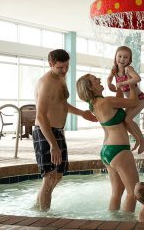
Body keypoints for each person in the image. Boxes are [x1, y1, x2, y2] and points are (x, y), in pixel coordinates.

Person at [33, 49, 97, 211]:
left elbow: (61, 103)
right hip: (45, 132)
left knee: (58, 175)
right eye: (60, 67)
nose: (64, 70)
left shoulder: (61, 77)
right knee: (50, 177)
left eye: (67, 66)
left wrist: (82, 113)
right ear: (51, 64)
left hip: (57, 131)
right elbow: (40, 116)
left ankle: (38, 206)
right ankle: (45, 218)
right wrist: (53, 144)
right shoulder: (47, 82)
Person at [77, 73, 140, 212]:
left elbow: (118, 101)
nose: (99, 79)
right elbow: (134, 102)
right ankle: (126, 227)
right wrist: (131, 85)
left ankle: (112, 223)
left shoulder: (94, 104)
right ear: (91, 88)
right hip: (119, 149)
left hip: (107, 151)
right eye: (95, 79)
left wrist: (119, 83)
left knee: (116, 193)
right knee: (133, 192)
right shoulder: (107, 102)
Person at [107, 46, 144, 154]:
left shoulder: (128, 69)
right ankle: (137, 139)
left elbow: (137, 78)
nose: (122, 59)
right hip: (130, 100)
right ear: (115, 57)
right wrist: (109, 84)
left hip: (140, 99)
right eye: (119, 56)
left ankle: (142, 140)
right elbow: (109, 77)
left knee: (128, 119)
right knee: (124, 120)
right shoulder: (114, 70)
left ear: (129, 60)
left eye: (125, 57)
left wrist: (123, 83)